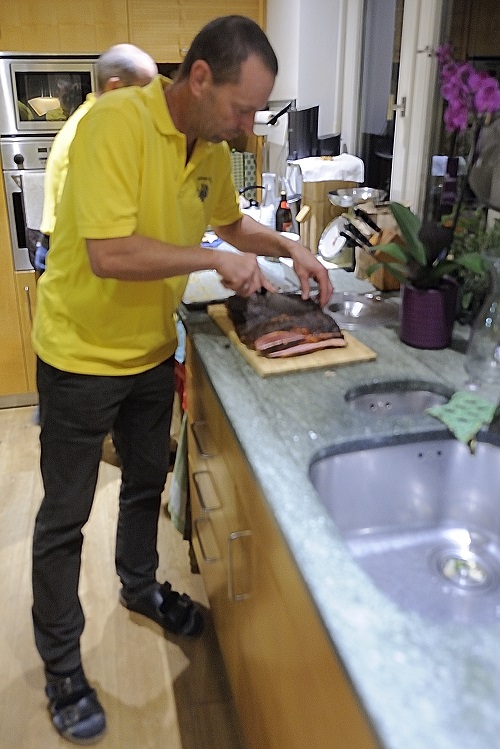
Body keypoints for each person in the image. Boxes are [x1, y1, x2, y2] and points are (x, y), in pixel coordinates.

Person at [31, 15, 333, 745]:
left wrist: (290, 246)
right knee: (65, 517)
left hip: (146, 351)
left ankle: (139, 587)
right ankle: (63, 666)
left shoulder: (212, 148)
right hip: (78, 355)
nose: (248, 126)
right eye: (241, 107)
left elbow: (230, 225)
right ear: (199, 78)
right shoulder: (113, 125)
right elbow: (108, 254)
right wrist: (212, 262)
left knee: (144, 483)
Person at [35, 43, 158, 272]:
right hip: (69, 251)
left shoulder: (95, 119)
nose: (151, 102)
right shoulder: (95, 130)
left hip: (67, 244)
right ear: (114, 87)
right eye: (144, 93)